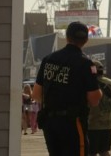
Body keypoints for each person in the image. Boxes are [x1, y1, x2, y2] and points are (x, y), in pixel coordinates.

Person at [33, 21, 103, 156]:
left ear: (67, 37)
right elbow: (94, 100)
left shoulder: (48, 59)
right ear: (86, 40)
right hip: (73, 123)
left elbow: (36, 94)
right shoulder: (86, 63)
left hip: (50, 123)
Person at [87, 61, 111, 156]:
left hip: (92, 123)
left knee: (91, 152)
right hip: (107, 123)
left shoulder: (88, 83)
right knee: (104, 151)